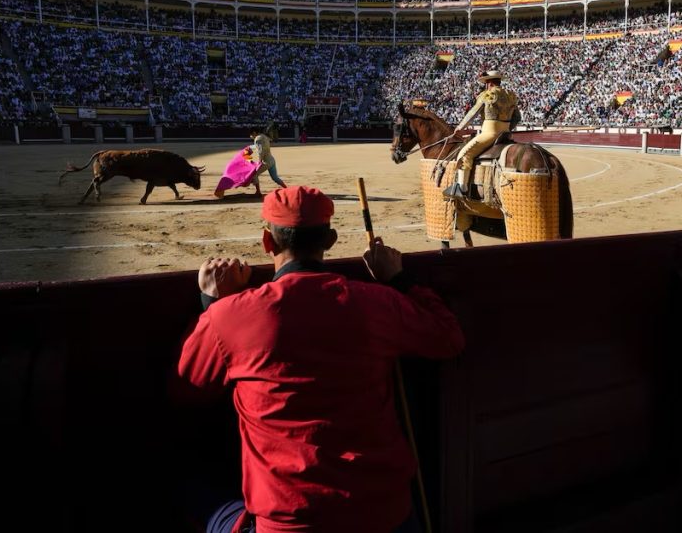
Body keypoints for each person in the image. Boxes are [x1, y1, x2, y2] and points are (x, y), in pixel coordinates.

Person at [178, 186, 465, 532]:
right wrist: (400, 280)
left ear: (267, 242)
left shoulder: (232, 315)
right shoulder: (377, 301)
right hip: (384, 515)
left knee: (190, 487)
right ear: (330, 241)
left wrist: (213, 305)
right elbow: (448, 338)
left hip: (291, 524)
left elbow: (188, 387)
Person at [443, 70, 520, 200]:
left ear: (488, 83)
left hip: (490, 133)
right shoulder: (510, 95)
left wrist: (460, 127)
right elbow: (517, 117)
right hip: (506, 133)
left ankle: (462, 188)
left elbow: (473, 113)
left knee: (464, 154)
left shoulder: (487, 94)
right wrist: (507, 128)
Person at [249, 127, 287, 195]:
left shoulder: (257, 139)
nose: (250, 136)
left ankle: (258, 192)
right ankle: (287, 189)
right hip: (271, 160)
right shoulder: (264, 136)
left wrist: (259, 161)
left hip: (266, 161)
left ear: (254, 133)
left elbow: (261, 151)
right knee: (275, 178)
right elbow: (260, 146)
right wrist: (250, 147)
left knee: (254, 175)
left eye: (251, 134)